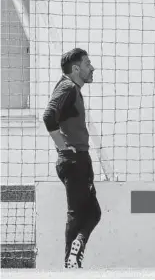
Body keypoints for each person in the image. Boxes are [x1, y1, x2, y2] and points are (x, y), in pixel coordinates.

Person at [43, 48, 101, 268]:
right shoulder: (68, 87)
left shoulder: (70, 87)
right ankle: (70, 261)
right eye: (88, 64)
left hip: (78, 159)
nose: (92, 67)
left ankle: (76, 249)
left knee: (92, 211)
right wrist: (64, 148)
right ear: (76, 68)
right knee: (78, 212)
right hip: (74, 159)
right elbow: (49, 115)